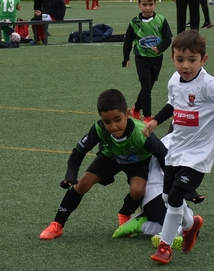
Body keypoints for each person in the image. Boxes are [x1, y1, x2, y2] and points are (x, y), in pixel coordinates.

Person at [143, 30, 214, 265]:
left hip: (199, 154)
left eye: (192, 60)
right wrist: (156, 120)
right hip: (176, 151)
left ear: (203, 60)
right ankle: (191, 224)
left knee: (177, 195)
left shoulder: (209, 85)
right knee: (169, 198)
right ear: (173, 58)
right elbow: (173, 103)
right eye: (180, 60)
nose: (185, 65)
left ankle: (165, 247)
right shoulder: (173, 81)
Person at [39, 89, 167, 241]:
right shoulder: (99, 128)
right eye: (107, 121)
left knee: (138, 190)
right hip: (110, 157)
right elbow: (78, 153)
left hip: (138, 161)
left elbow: (164, 155)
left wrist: (176, 184)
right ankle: (57, 224)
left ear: (127, 114)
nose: (113, 126)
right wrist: (70, 176)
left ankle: (125, 212)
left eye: (117, 119)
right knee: (83, 183)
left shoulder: (141, 132)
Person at [122, 0, 173, 122]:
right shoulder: (135, 23)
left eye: (150, 4)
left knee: (148, 87)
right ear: (139, 4)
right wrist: (126, 58)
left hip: (157, 59)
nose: (147, 8)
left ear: (155, 4)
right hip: (141, 58)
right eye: (144, 5)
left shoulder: (161, 20)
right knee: (146, 87)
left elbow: (168, 39)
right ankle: (148, 116)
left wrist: (160, 48)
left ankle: (135, 110)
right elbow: (127, 42)